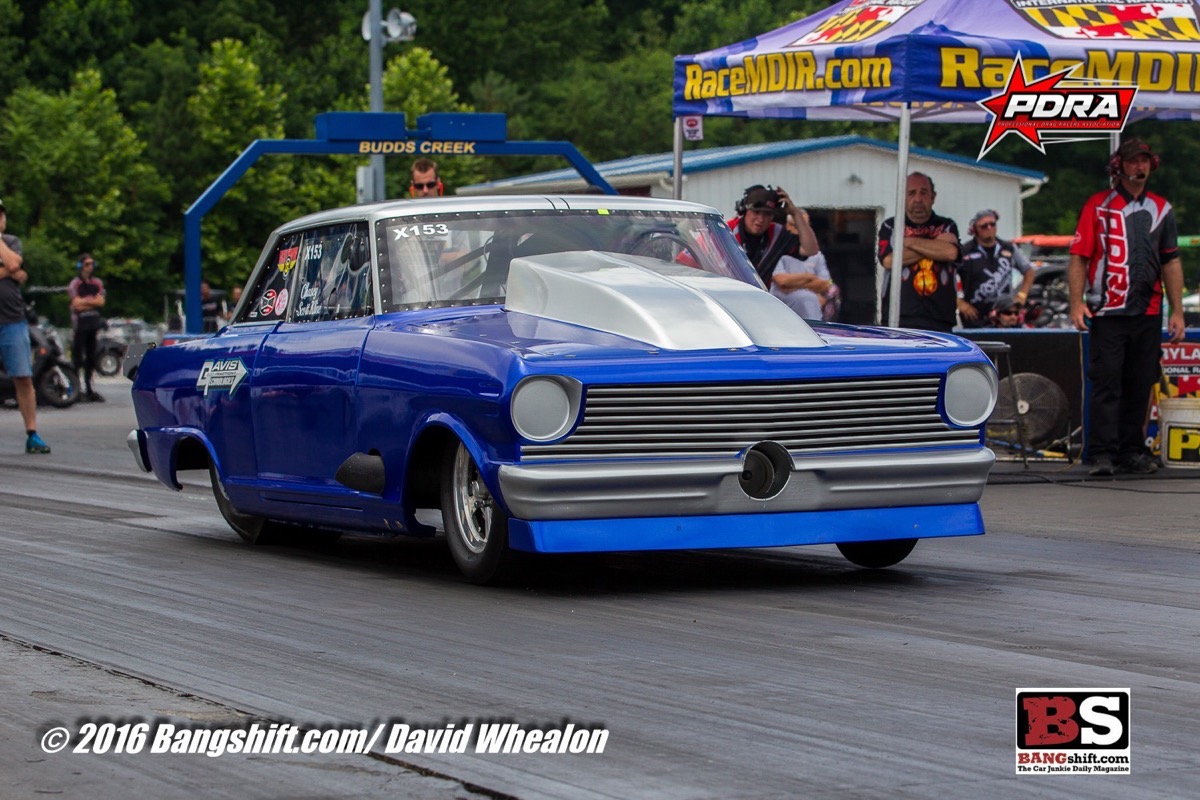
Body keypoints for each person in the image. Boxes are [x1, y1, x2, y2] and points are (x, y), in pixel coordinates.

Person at [1068, 138, 1186, 476]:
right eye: (1133, 161)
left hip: (1148, 311)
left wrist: (1177, 311)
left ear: (1152, 164)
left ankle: (1131, 450)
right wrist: (1076, 303)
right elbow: (1079, 257)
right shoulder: (1098, 205)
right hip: (1107, 311)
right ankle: (1102, 453)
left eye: (1144, 161)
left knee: (1140, 382)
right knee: (1107, 382)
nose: (1140, 167)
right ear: (1119, 166)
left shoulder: (1162, 209)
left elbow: (1171, 261)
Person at [878, 172, 962, 332]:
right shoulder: (891, 226)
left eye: (923, 193)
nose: (918, 199)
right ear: (902, 197)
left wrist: (908, 242)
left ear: (933, 197)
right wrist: (935, 244)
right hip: (898, 317)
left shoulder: (947, 225)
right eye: (911, 193)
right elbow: (889, 260)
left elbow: (950, 253)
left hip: (940, 317)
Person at [0, 198, 50, 453]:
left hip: (12, 319)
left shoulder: (11, 241)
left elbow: (14, 265)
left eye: (1, 215)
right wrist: (10, 272)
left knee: (23, 376)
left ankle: (32, 433)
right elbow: (14, 270)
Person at [957, 209, 1036, 328]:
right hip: (976, 315)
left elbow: (1029, 271)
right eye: (984, 226)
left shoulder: (1008, 248)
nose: (989, 228)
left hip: (1004, 314)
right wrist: (959, 303)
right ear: (975, 229)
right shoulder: (965, 251)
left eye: (992, 224)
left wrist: (1022, 294)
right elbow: (946, 277)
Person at [728, 185, 819, 285]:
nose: (761, 219)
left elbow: (810, 249)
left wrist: (795, 213)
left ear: (772, 216)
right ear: (744, 211)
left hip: (759, 294)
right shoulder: (726, 230)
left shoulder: (777, 234)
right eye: (756, 212)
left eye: (766, 214)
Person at [67, 252, 107, 402]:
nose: (90, 267)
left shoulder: (96, 283)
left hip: (93, 324)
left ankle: (89, 387)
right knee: (77, 357)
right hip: (80, 324)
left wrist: (85, 302)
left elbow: (101, 302)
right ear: (81, 266)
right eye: (87, 264)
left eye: (92, 264)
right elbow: (76, 304)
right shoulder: (75, 284)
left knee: (91, 357)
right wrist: (92, 301)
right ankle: (76, 388)